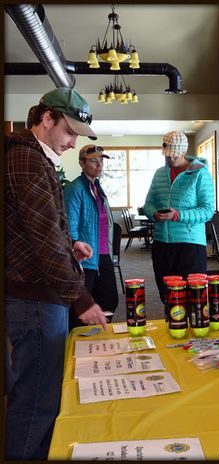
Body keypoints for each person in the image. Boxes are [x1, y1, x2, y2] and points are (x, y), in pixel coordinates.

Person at [5, 87, 109, 460]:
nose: (72, 141)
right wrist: (82, 300)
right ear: (46, 119)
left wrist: (70, 245)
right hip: (34, 298)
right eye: (69, 131)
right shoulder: (27, 159)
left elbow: (41, 228)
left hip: (38, 293)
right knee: (37, 399)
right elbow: (43, 239)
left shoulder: (35, 157)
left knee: (41, 393)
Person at [143, 130, 215, 302]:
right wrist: (153, 213)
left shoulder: (200, 173)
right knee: (168, 296)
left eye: (173, 155)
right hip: (162, 244)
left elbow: (207, 210)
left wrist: (178, 215)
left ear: (184, 151)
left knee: (193, 297)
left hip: (190, 245)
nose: (170, 159)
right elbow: (148, 204)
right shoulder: (160, 173)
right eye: (167, 155)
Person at [64, 144, 118, 330]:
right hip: (85, 258)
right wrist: (75, 250)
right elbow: (69, 225)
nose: (99, 165)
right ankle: (79, 344)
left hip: (103, 254)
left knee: (111, 299)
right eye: (94, 161)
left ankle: (98, 337)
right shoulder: (75, 189)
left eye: (101, 161)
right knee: (81, 309)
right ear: (82, 163)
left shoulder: (97, 188)